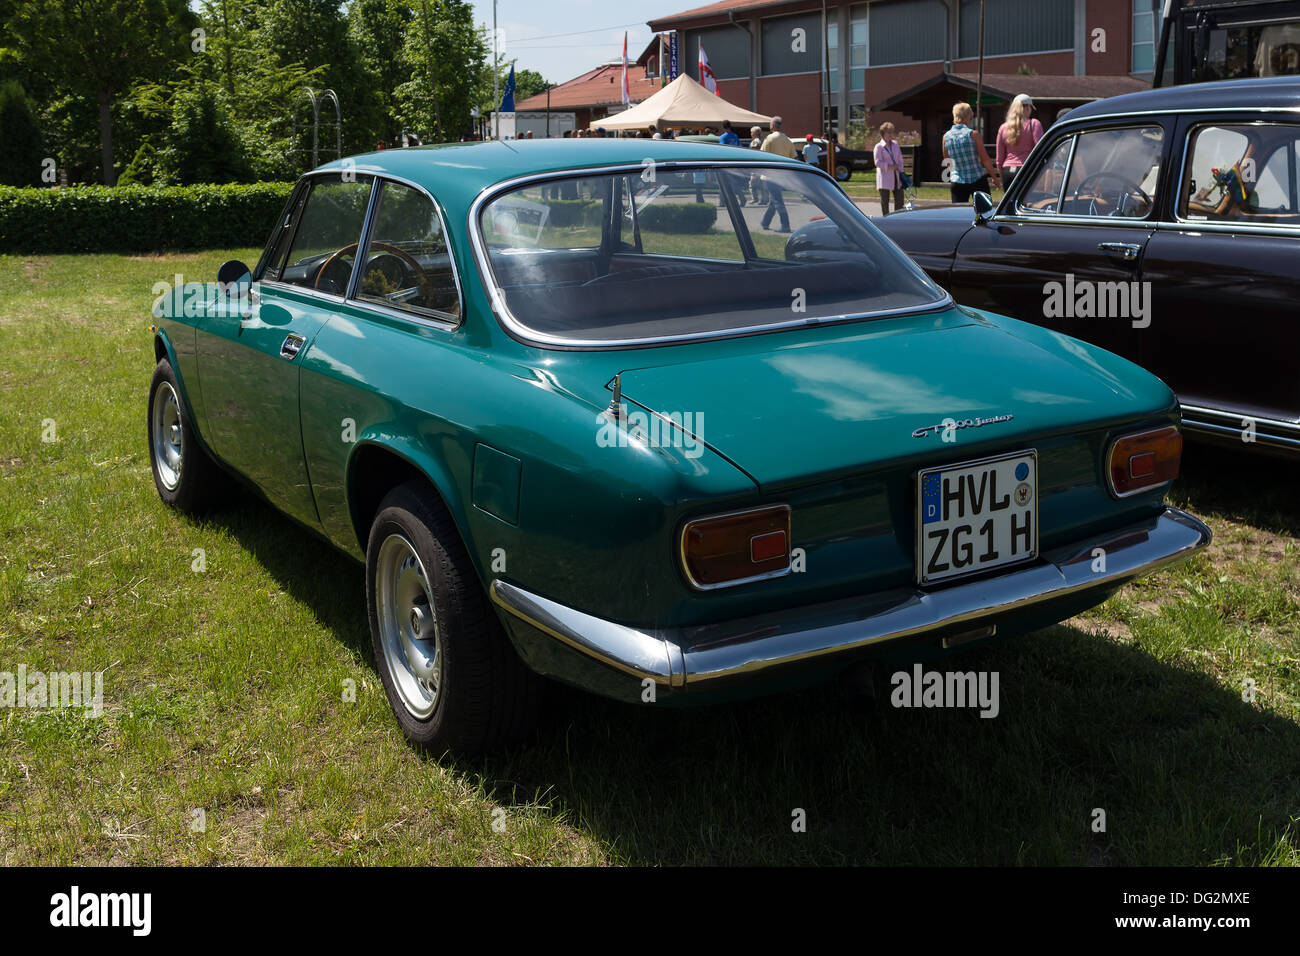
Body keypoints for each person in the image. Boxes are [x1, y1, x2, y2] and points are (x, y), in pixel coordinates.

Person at [943, 102, 1000, 203]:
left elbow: (947, 161)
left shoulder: (946, 137)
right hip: (977, 179)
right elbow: (985, 159)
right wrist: (994, 177)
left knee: (959, 216)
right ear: (968, 116)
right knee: (985, 212)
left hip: (957, 181)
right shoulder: (973, 135)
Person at [995, 93, 1043, 192]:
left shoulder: (1003, 127)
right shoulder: (1034, 124)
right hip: (1026, 169)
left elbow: (999, 158)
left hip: (1007, 171)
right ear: (1028, 108)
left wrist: (1001, 174)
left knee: (1009, 206)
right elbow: (1041, 148)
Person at [759, 116, 796, 232]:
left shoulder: (769, 138)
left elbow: (762, 156)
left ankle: (785, 225)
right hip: (782, 174)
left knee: (777, 200)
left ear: (772, 126)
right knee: (774, 200)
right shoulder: (787, 139)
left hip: (770, 174)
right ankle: (765, 222)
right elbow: (793, 157)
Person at [873, 122, 906, 216]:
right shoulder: (878, 146)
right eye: (888, 132)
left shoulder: (895, 144)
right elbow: (877, 162)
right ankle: (886, 219)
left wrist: (901, 171)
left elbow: (900, 159)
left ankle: (898, 217)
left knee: (899, 199)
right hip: (884, 177)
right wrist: (889, 166)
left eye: (892, 132)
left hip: (896, 176)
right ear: (883, 133)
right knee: (885, 201)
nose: (891, 134)